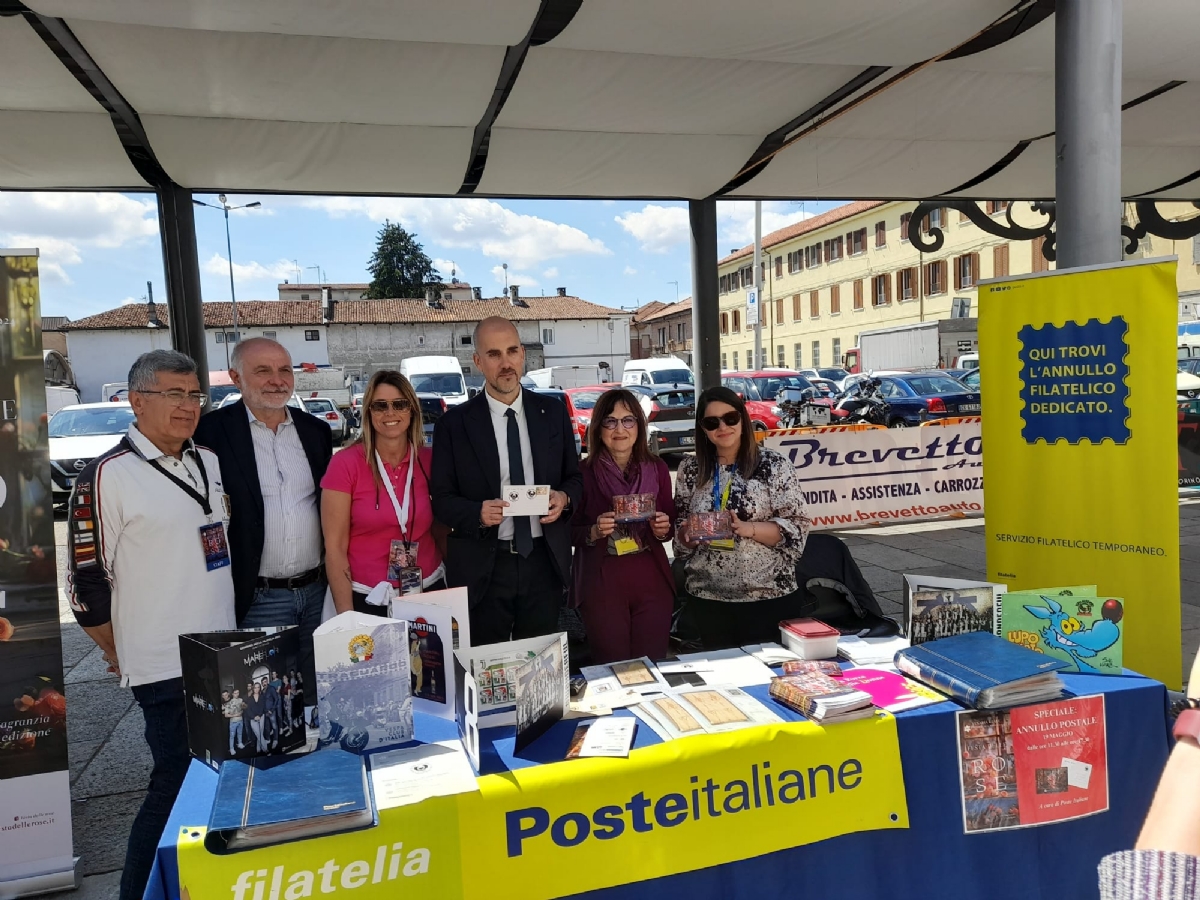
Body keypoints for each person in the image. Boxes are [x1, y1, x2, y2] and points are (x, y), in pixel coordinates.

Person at [66, 350, 235, 900]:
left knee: (218, 780)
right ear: (137, 401)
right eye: (173, 394)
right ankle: (137, 892)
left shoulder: (206, 458)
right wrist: (124, 650)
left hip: (221, 653)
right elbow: (86, 588)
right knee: (173, 783)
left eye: (194, 395)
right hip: (164, 664)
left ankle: (202, 882)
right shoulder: (107, 475)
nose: (187, 406)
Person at [194, 337, 333, 698]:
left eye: (284, 370)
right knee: (264, 702)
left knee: (318, 696)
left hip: (317, 592)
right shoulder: (209, 434)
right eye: (263, 371)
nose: (277, 380)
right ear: (236, 378)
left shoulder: (315, 431)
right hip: (257, 597)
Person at [430, 316, 583, 645]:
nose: (506, 363)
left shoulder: (552, 412)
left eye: (512, 351)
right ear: (477, 362)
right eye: (494, 354)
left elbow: (575, 477)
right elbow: (441, 499)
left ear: (523, 354)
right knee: (488, 669)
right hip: (485, 564)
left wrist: (564, 498)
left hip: (543, 562)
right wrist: (476, 513)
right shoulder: (454, 425)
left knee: (539, 667)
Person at [673, 385, 811, 649]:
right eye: (712, 422)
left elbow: (798, 528)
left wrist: (747, 528)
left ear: (743, 419)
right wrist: (687, 535)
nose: (722, 427)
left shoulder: (773, 465)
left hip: (768, 596)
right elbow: (679, 538)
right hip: (707, 598)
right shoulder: (690, 469)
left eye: (730, 418)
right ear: (703, 429)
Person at [322, 370, 444, 614]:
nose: (390, 413)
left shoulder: (431, 461)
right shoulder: (345, 464)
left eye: (400, 404)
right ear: (368, 411)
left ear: (412, 410)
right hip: (366, 597)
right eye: (380, 406)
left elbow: (443, 529)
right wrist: (346, 617)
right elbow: (335, 548)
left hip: (428, 591)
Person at [571, 388, 675, 663]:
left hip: (650, 576)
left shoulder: (658, 469)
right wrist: (593, 531)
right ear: (598, 427)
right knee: (613, 668)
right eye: (610, 421)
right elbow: (566, 531)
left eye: (628, 420)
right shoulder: (582, 473)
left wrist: (663, 527)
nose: (620, 429)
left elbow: (671, 524)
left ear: (639, 426)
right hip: (602, 579)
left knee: (652, 667)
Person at [224, 689, 245, 756]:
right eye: (235, 693)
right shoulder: (229, 703)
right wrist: (235, 715)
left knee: (240, 733)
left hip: (240, 720)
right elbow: (226, 715)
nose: (237, 694)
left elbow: (243, 709)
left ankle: (240, 743)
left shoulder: (241, 700)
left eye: (238, 693)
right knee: (232, 736)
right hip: (233, 722)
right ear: (232, 694)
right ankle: (231, 749)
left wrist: (243, 708)